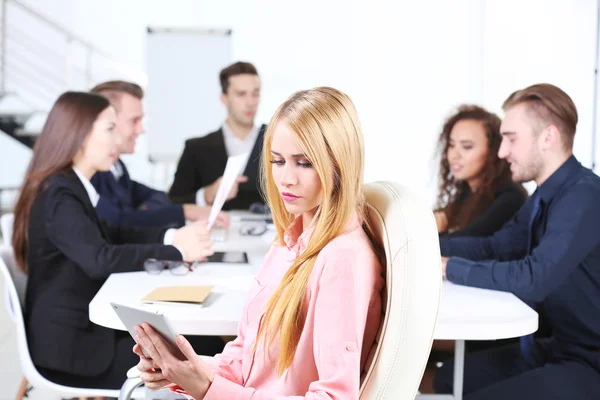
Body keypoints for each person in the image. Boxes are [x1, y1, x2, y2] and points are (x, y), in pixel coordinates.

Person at [133, 87, 385, 399]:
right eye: (277, 161)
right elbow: (245, 358)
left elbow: (334, 397)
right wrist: (185, 371)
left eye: (303, 163)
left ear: (339, 164)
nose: (285, 179)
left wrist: (207, 389)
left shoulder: (342, 259)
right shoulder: (285, 243)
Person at [12, 92, 221, 390]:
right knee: (201, 352)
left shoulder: (70, 186)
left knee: (201, 345)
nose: (116, 139)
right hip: (76, 350)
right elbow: (99, 259)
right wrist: (175, 249)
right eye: (109, 129)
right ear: (80, 135)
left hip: (83, 335)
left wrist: (174, 240)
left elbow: (113, 232)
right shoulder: (59, 194)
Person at [434, 84, 600, 399]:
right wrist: (419, 243)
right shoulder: (544, 197)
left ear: (548, 138)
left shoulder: (584, 195)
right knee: (450, 380)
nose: (502, 151)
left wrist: (452, 268)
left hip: (591, 361)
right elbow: (495, 247)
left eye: (511, 139)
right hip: (557, 347)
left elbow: (535, 278)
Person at [89, 80, 227, 228]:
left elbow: (157, 196)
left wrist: (140, 214)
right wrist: (183, 212)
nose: (141, 130)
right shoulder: (90, 173)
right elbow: (118, 225)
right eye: (134, 121)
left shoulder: (117, 167)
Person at [168, 61, 266, 210]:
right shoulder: (196, 149)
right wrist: (206, 195)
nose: (250, 102)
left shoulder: (276, 142)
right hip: (214, 232)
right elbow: (172, 202)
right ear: (224, 98)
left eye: (255, 93)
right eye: (241, 94)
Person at [434, 105, 527, 237]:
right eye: (452, 145)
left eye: (467, 147)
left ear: (493, 151)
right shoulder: (466, 194)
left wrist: (430, 232)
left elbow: (466, 243)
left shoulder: (510, 198)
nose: (454, 155)